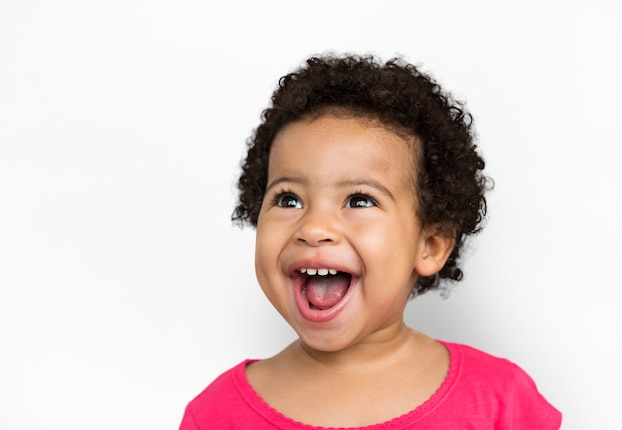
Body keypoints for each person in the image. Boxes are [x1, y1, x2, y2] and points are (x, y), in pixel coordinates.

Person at [178, 54, 562, 429]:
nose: (313, 228)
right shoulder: (214, 415)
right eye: (288, 199)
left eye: (359, 200)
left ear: (429, 245)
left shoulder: (501, 399)